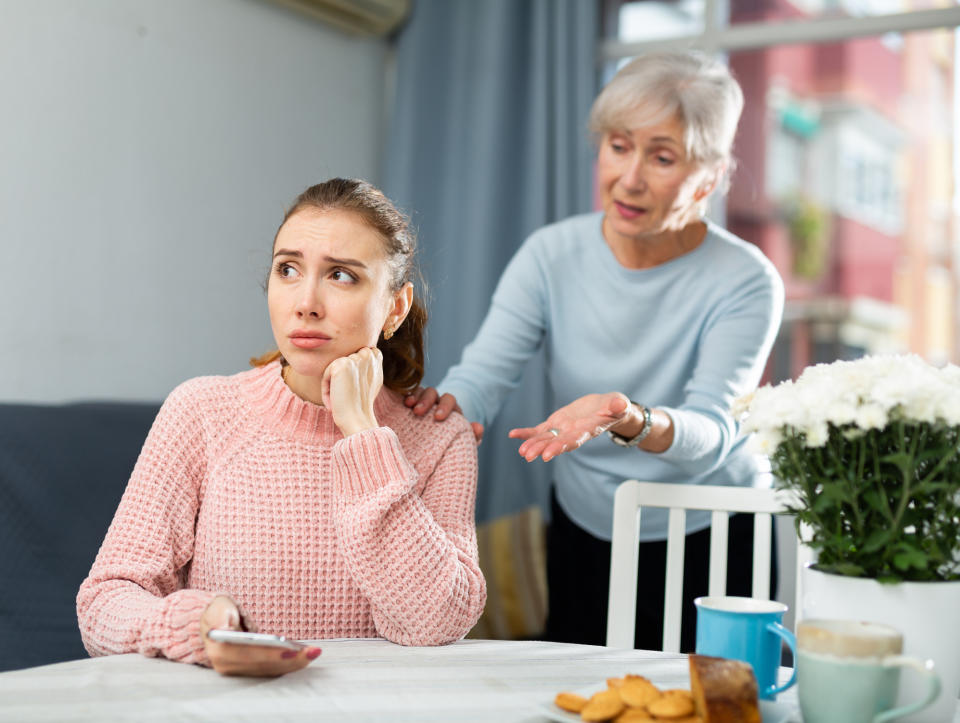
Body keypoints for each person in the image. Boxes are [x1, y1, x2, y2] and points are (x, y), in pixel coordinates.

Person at [406, 52, 784, 652]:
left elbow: (713, 432)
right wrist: (433, 415)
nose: (629, 178)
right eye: (617, 146)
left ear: (708, 179)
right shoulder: (550, 255)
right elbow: (483, 375)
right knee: (587, 695)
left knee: (716, 704)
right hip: (588, 522)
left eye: (661, 157)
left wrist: (628, 418)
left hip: (715, 527)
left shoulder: (746, 280)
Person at [77, 178, 486, 677]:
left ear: (394, 308)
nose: (306, 302)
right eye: (288, 269)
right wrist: (193, 626)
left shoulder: (441, 439)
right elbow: (103, 603)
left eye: (341, 276)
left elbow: (436, 623)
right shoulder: (202, 411)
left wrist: (362, 433)